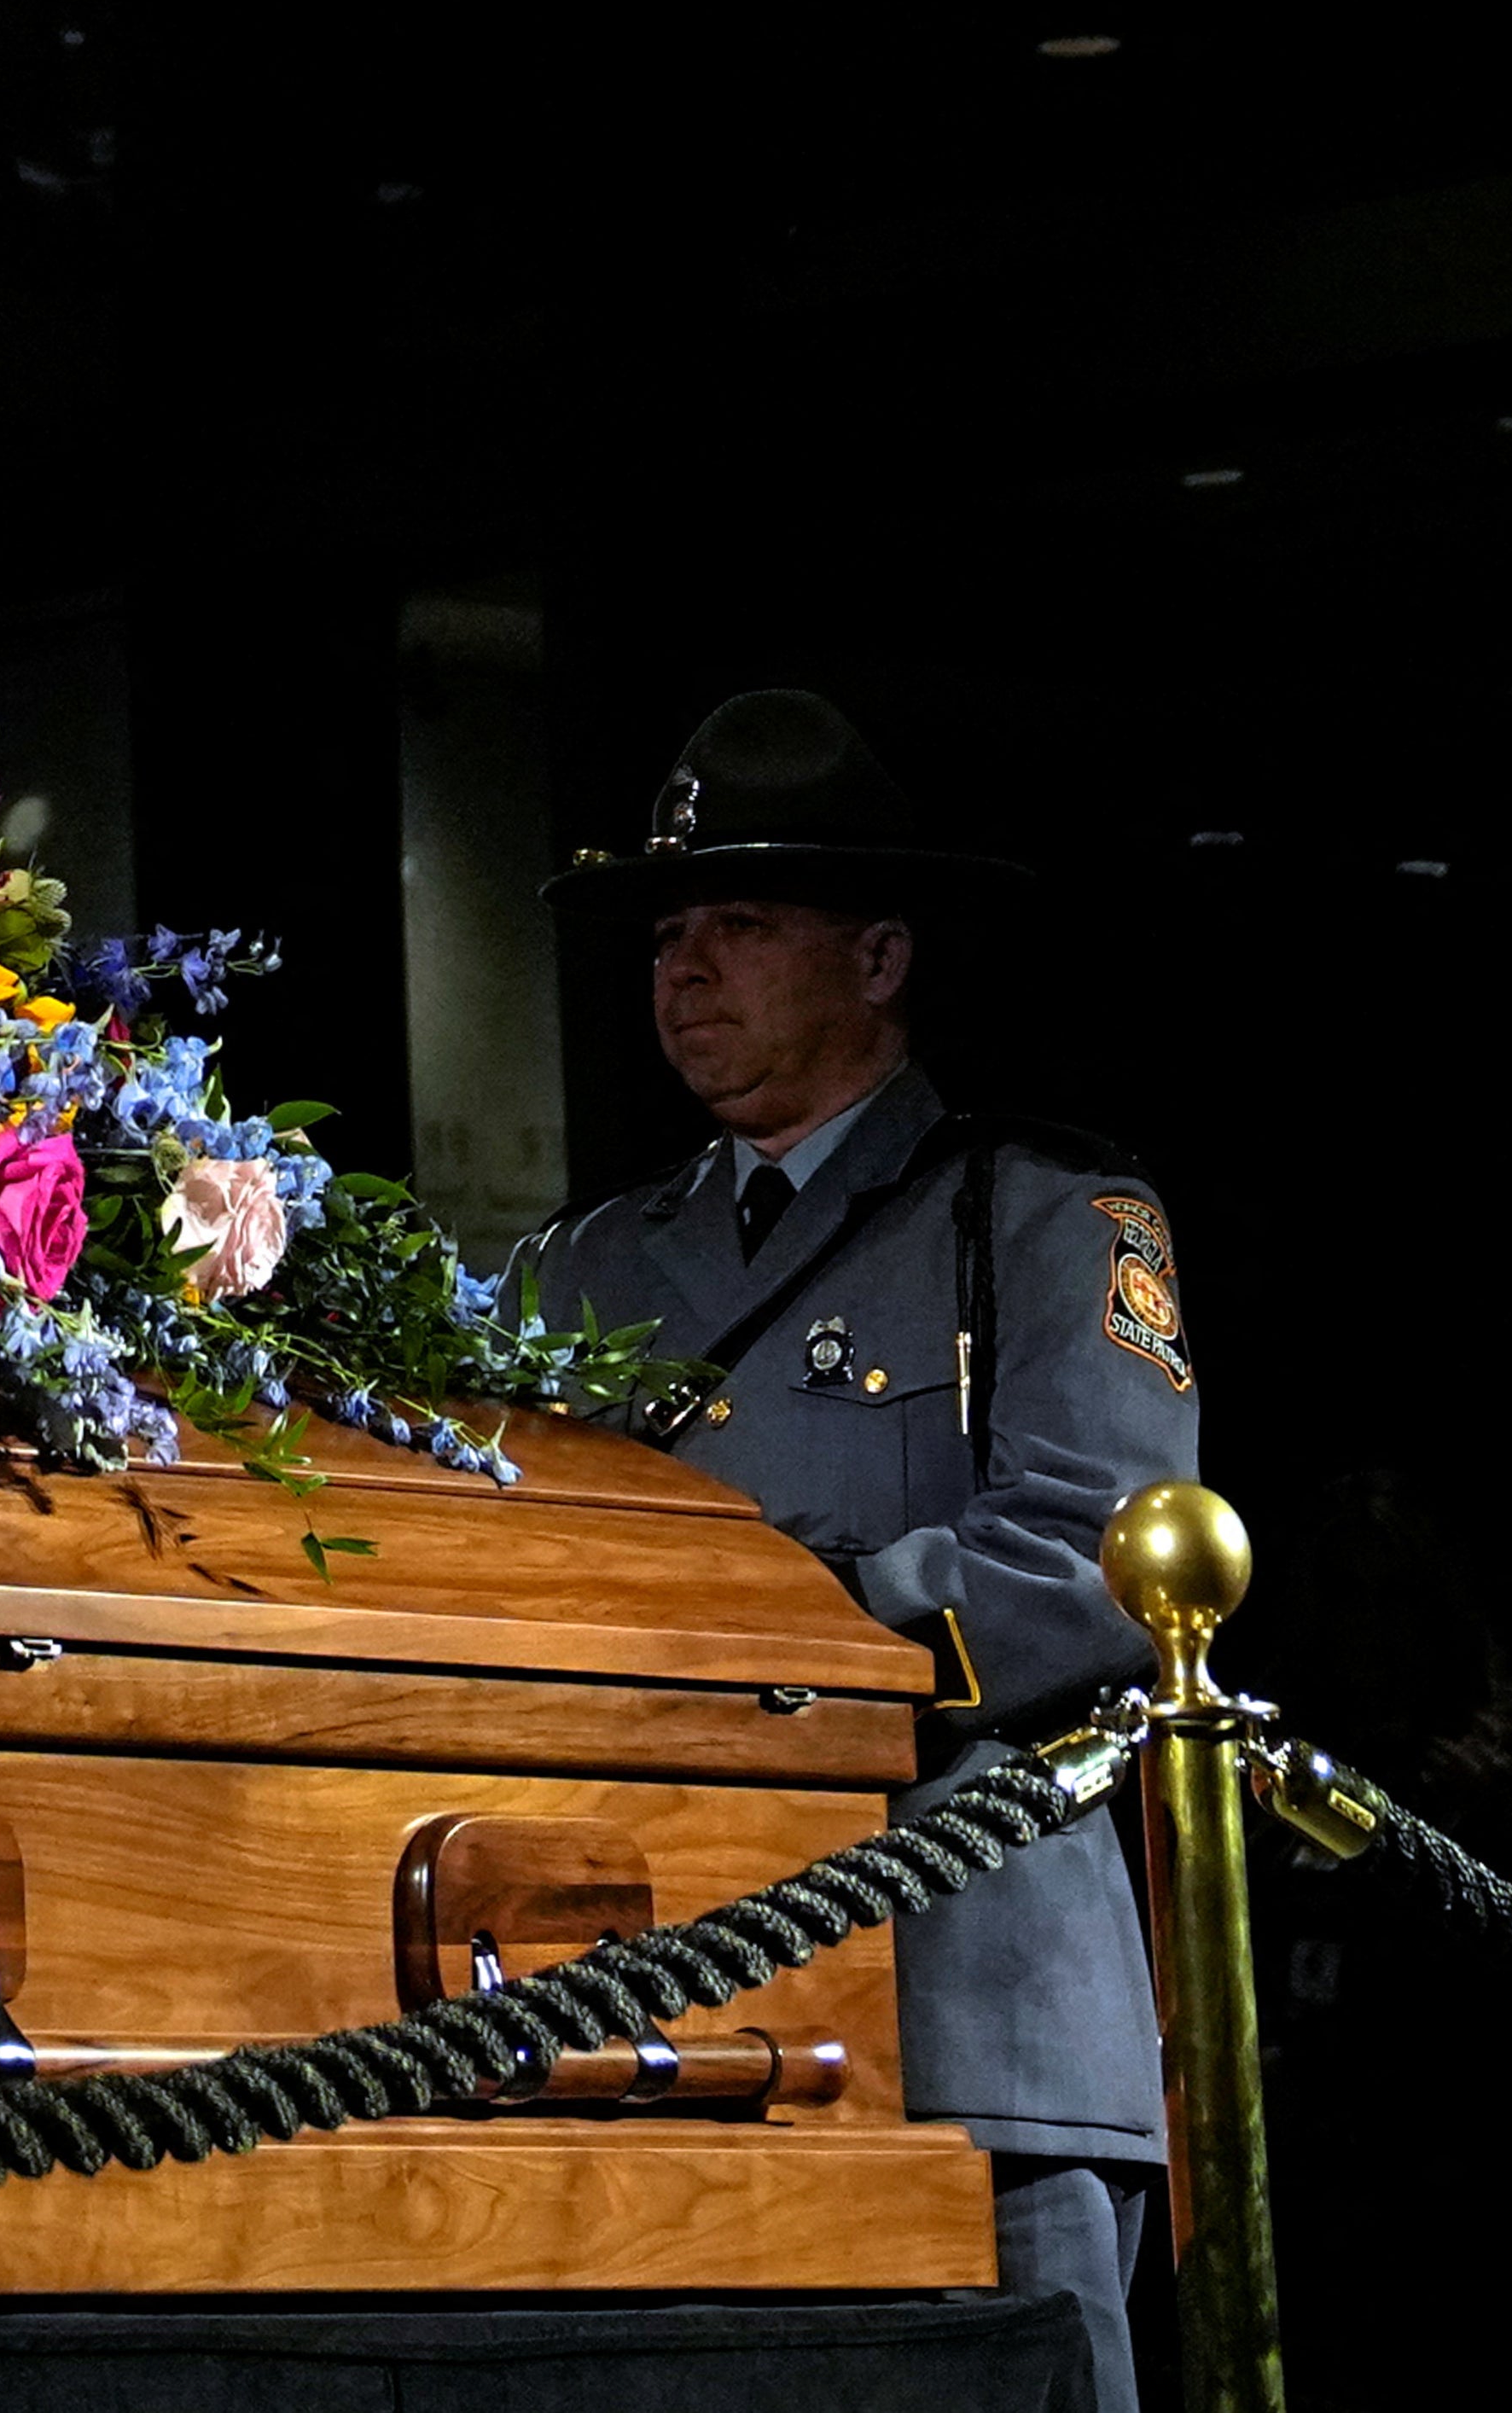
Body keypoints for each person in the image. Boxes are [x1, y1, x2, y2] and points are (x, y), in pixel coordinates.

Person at [509, 690, 1192, 2413]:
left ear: (880, 955)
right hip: (669, 1996)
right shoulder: (572, 1274)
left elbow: (1091, 1562)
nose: (686, 967)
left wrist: (765, 1636)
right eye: (670, 930)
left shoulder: (1044, 1214)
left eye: (742, 923)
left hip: (977, 1997)